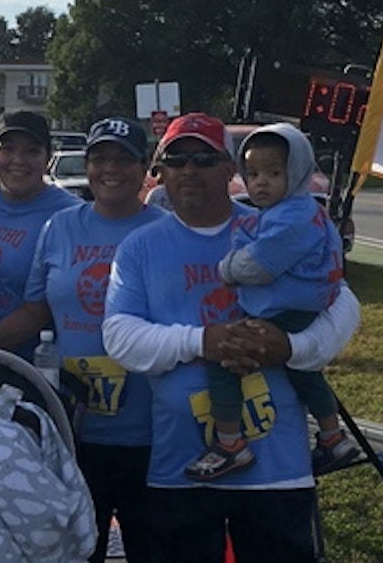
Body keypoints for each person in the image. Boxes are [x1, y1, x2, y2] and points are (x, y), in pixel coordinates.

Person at [103, 112, 360, 563]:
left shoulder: (274, 228)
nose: (189, 170)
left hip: (278, 470)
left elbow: (344, 303)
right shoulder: (139, 247)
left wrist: (292, 348)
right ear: (159, 171)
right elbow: (121, 336)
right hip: (181, 467)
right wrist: (203, 341)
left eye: (204, 158)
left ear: (230, 169)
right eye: (176, 159)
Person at [0, 116, 165, 563]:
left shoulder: (165, 231)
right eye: (100, 158)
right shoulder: (60, 228)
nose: (110, 169)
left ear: (145, 168)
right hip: (72, 432)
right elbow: (36, 311)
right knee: (76, 553)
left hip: (154, 432)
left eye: (123, 159)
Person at [187, 122, 355, 480]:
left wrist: (227, 269)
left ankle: (230, 443)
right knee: (303, 370)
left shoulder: (293, 219)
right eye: (253, 173)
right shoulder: (296, 211)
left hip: (286, 308)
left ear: (295, 173)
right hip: (299, 306)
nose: (261, 182)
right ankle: (332, 435)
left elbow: (260, 265)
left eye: (274, 173)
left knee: (226, 359)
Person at [0, 110, 81, 354]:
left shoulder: (69, 216)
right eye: (8, 149)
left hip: (26, 364)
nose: (18, 160)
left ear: (48, 157)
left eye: (31, 151)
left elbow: (40, 311)